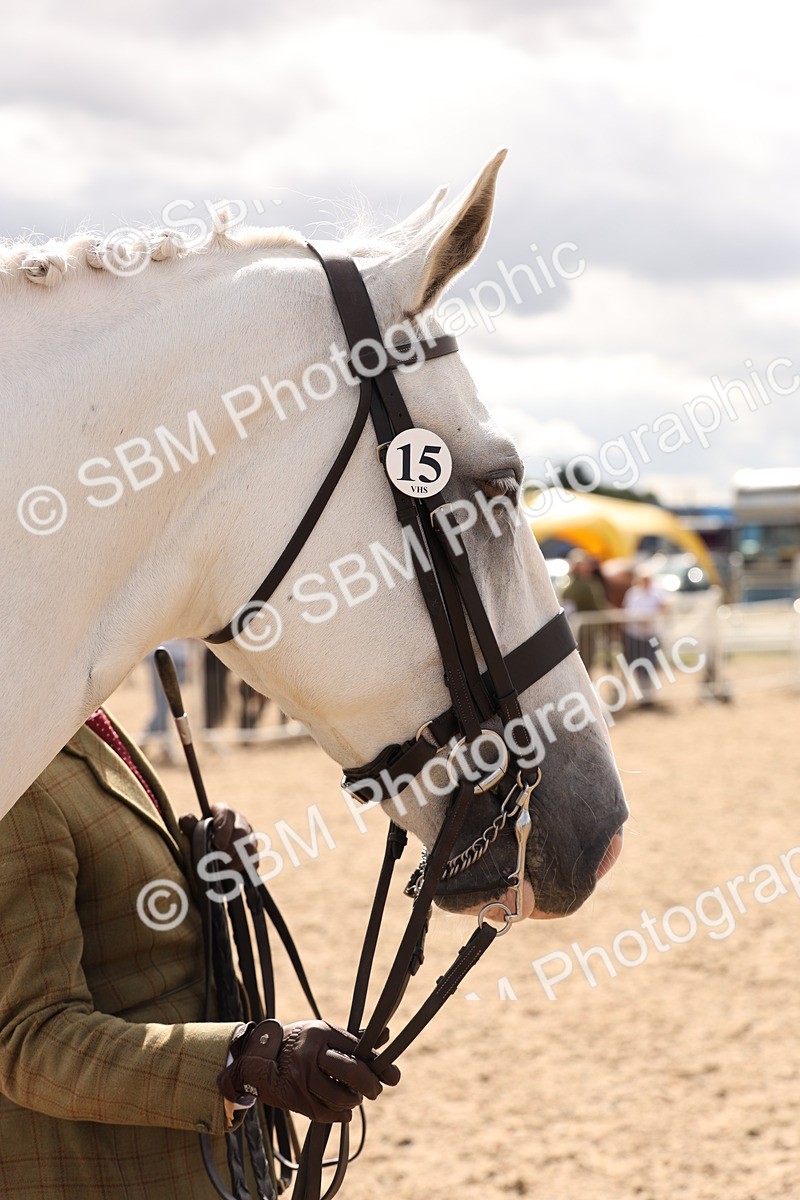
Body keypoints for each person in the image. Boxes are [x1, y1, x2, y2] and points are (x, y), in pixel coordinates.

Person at [0, 708, 398, 1199]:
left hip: (203, 1161)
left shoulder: (74, 715)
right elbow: (27, 1041)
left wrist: (195, 856)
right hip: (117, 1173)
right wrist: (238, 1057)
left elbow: (109, 908)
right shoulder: (15, 774)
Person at [621, 566, 669, 705]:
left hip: (652, 634)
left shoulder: (657, 592)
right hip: (635, 634)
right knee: (639, 664)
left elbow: (665, 605)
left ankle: (649, 694)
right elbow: (628, 611)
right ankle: (643, 694)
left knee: (651, 662)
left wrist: (656, 613)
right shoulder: (632, 593)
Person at [562, 548, 607, 671]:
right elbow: (597, 605)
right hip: (586, 631)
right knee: (586, 661)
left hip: (573, 631)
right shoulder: (586, 585)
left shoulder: (566, 584)